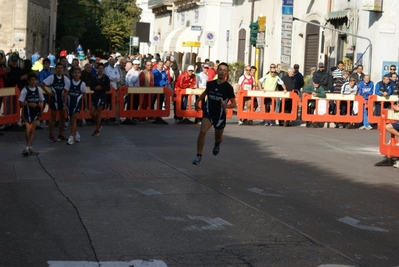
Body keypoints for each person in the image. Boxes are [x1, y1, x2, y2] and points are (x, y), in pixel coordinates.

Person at [192, 62, 236, 165]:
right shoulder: (211, 83)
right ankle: (198, 156)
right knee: (202, 132)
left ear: (227, 73)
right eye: (220, 69)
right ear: (217, 71)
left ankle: (217, 144)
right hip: (209, 113)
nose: (222, 72)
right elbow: (206, 92)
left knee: (218, 138)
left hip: (220, 116)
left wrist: (227, 106)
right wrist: (198, 100)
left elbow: (234, 104)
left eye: (224, 70)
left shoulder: (228, 87)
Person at [40, 62, 70, 142]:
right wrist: (48, 93)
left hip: (61, 101)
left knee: (62, 117)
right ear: (55, 69)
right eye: (58, 68)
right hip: (54, 100)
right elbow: (42, 84)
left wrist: (65, 100)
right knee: (53, 117)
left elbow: (68, 89)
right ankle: (51, 135)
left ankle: (60, 135)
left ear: (63, 70)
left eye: (61, 68)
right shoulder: (52, 77)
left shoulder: (65, 79)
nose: (60, 70)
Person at [18, 72, 44, 156]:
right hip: (28, 112)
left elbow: (42, 100)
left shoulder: (38, 89)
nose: (33, 81)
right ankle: (29, 147)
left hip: (36, 112)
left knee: (32, 130)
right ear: (28, 81)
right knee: (28, 131)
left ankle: (27, 148)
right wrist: (29, 104)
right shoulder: (25, 90)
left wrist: (41, 105)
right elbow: (21, 103)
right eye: (31, 80)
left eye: (35, 80)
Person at [63, 68, 87, 145]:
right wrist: (65, 103)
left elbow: (84, 95)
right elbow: (66, 93)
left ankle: (71, 137)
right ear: (73, 74)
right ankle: (76, 133)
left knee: (74, 120)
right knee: (72, 121)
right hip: (70, 104)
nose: (77, 74)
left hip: (77, 105)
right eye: (75, 72)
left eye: (78, 73)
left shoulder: (82, 84)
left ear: (80, 74)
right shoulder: (69, 83)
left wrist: (86, 106)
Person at [90, 63, 110, 136]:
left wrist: (101, 88)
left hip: (101, 96)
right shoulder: (94, 77)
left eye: (102, 68)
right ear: (97, 69)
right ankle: (98, 124)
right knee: (91, 112)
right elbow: (91, 86)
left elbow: (108, 88)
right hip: (95, 96)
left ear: (103, 69)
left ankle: (97, 130)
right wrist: (95, 88)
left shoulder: (106, 78)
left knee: (98, 113)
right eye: (99, 68)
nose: (101, 69)